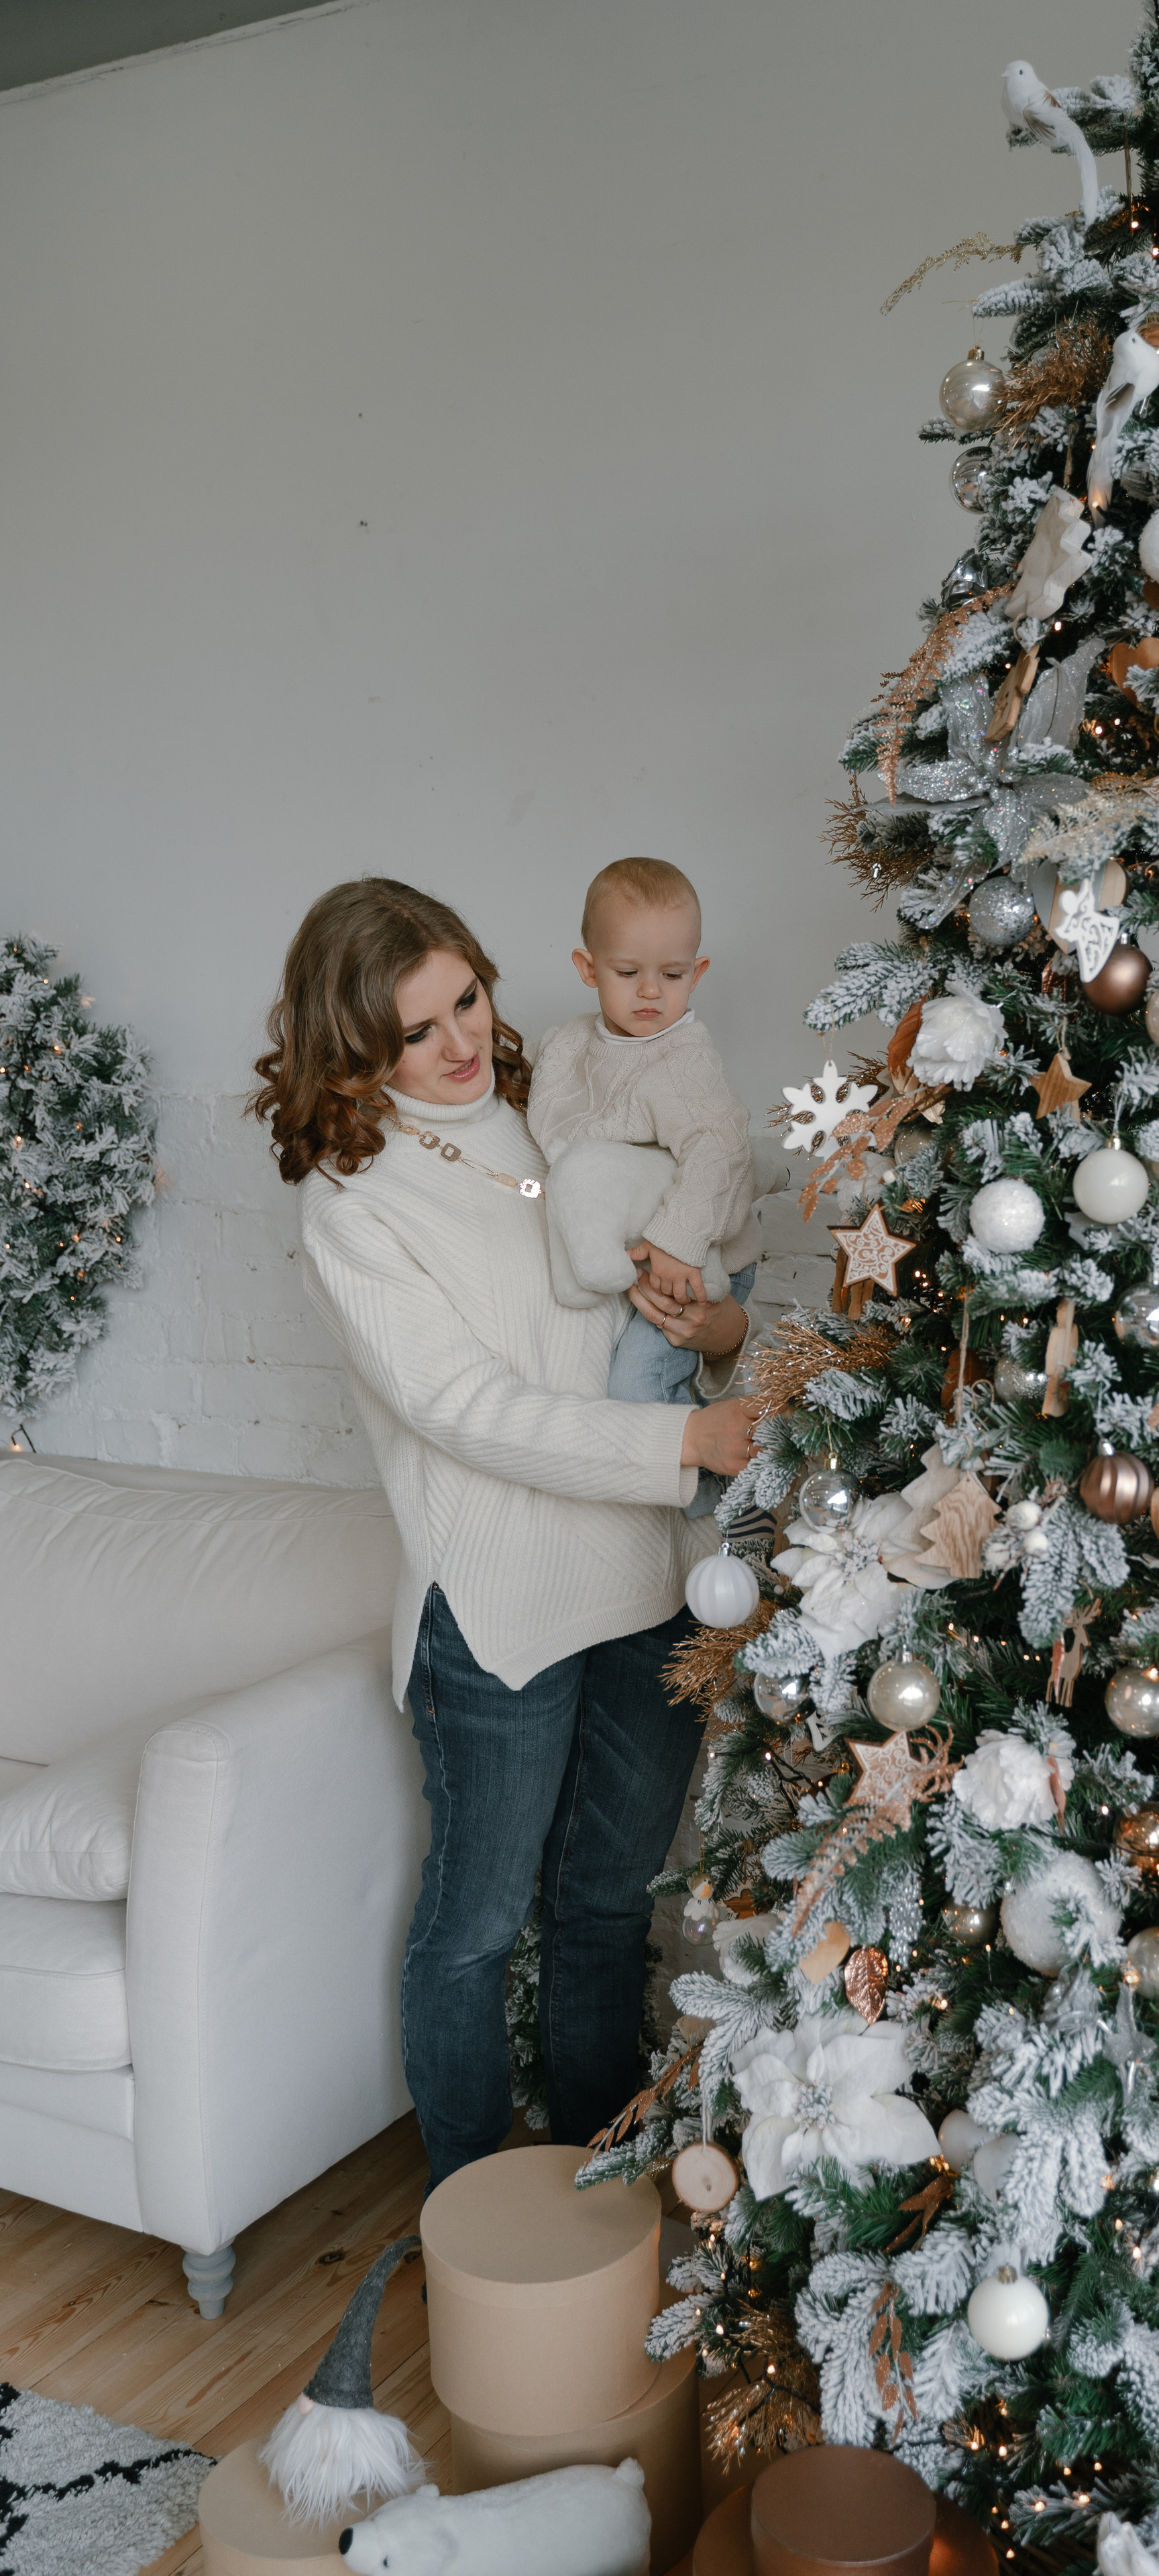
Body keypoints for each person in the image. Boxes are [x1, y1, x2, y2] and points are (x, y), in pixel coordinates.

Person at [250, 877, 759, 2190]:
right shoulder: (353, 1202)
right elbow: (464, 1409)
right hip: (498, 1613)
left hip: (642, 1580)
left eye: (464, 999)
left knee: (601, 1908)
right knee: (474, 1931)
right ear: (357, 1048)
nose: (459, 1043)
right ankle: (471, 2212)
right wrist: (680, 1449)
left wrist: (713, 1338)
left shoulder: (564, 1121)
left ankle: (591, 2183)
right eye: (417, 1032)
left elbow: (655, 1336)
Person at [527, 857, 759, 1516]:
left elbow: (721, 1146)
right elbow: (557, 1124)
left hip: (699, 1258)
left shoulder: (681, 1061)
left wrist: (678, 1242)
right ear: (587, 968)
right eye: (627, 974)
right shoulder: (574, 1046)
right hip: (632, 1250)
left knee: (635, 1383)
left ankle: (713, 1509)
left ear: (699, 973)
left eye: (674, 975)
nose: (651, 993)